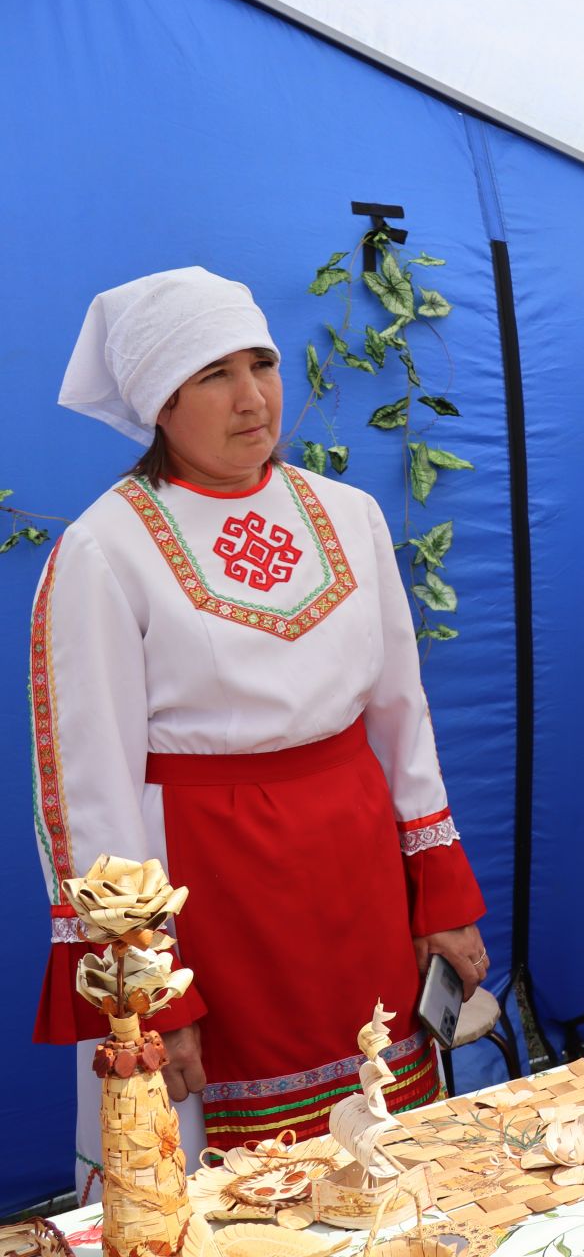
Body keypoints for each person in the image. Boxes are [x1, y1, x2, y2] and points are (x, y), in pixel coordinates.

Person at [30, 267, 488, 1186]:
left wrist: (440, 900)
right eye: (213, 375)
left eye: (263, 363)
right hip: (214, 895)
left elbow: (402, 719)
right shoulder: (103, 550)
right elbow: (87, 788)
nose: (253, 397)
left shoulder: (349, 516)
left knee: (387, 1151)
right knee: (230, 1184)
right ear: (160, 402)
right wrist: (153, 988)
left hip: (358, 879)